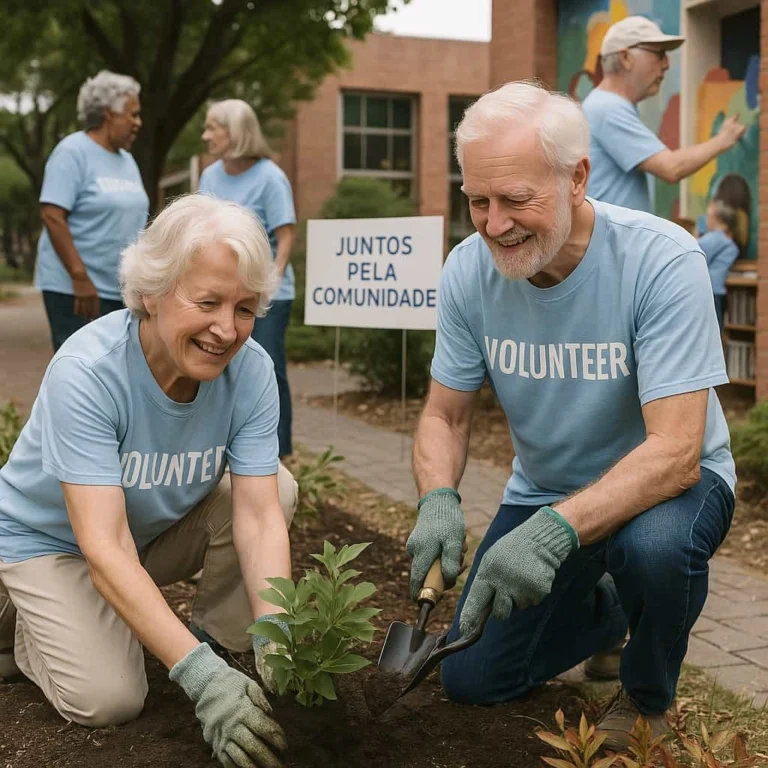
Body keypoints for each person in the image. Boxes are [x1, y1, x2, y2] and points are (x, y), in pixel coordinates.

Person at [405, 81, 735, 751]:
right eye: (477, 201)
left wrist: (556, 534)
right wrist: (438, 498)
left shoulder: (661, 261)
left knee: (654, 550)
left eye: (517, 200)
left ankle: (647, 693)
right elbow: (445, 416)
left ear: (577, 178)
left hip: (670, 488)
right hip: (547, 493)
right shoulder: (469, 272)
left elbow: (675, 452)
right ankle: (608, 613)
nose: (495, 224)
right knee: (469, 677)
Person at [0, 195, 299, 768]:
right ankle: (26, 629)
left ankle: (225, 648)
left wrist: (277, 629)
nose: (226, 330)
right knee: (108, 700)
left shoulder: (252, 370)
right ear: (151, 293)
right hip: (47, 545)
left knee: (275, 488)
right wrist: (195, 679)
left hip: (134, 540)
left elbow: (260, 516)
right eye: (207, 302)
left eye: (244, 308)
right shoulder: (89, 372)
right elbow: (101, 545)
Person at [199, 99, 297, 458]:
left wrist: (269, 284)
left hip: (264, 294)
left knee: (267, 368)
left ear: (236, 132)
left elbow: (285, 235)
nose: (205, 135)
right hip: (218, 291)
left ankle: (279, 451)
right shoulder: (209, 176)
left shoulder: (271, 177)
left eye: (213, 127)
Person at [582, 16, 746, 213]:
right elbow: (671, 168)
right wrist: (722, 139)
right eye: (659, 54)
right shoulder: (607, 108)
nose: (667, 64)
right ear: (626, 58)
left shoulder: (604, 106)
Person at [35, 70, 149, 351]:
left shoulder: (127, 161)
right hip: (76, 289)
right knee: (80, 368)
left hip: (119, 289)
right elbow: (52, 215)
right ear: (109, 113)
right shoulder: (72, 151)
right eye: (132, 115)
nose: (138, 123)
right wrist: (79, 277)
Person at [698, 199, 745, 330]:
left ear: (717, 219)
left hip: (710, 289)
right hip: (718, 290)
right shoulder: (729, 242)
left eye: (708, 216)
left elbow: (696, 253)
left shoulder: (715, 238)